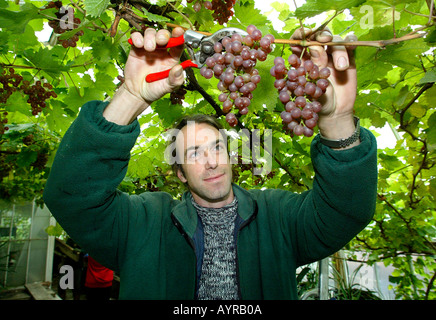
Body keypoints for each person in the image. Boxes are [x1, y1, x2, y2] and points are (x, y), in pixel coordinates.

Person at [43, 26, 378, 300]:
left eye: (216, 147)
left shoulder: (279, 217)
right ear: (179, 174)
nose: (211, 161)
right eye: (193, 154)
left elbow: (347, 210)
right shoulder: (142, 223)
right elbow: (71, 198)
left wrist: (338, 122)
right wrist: (130, 96)